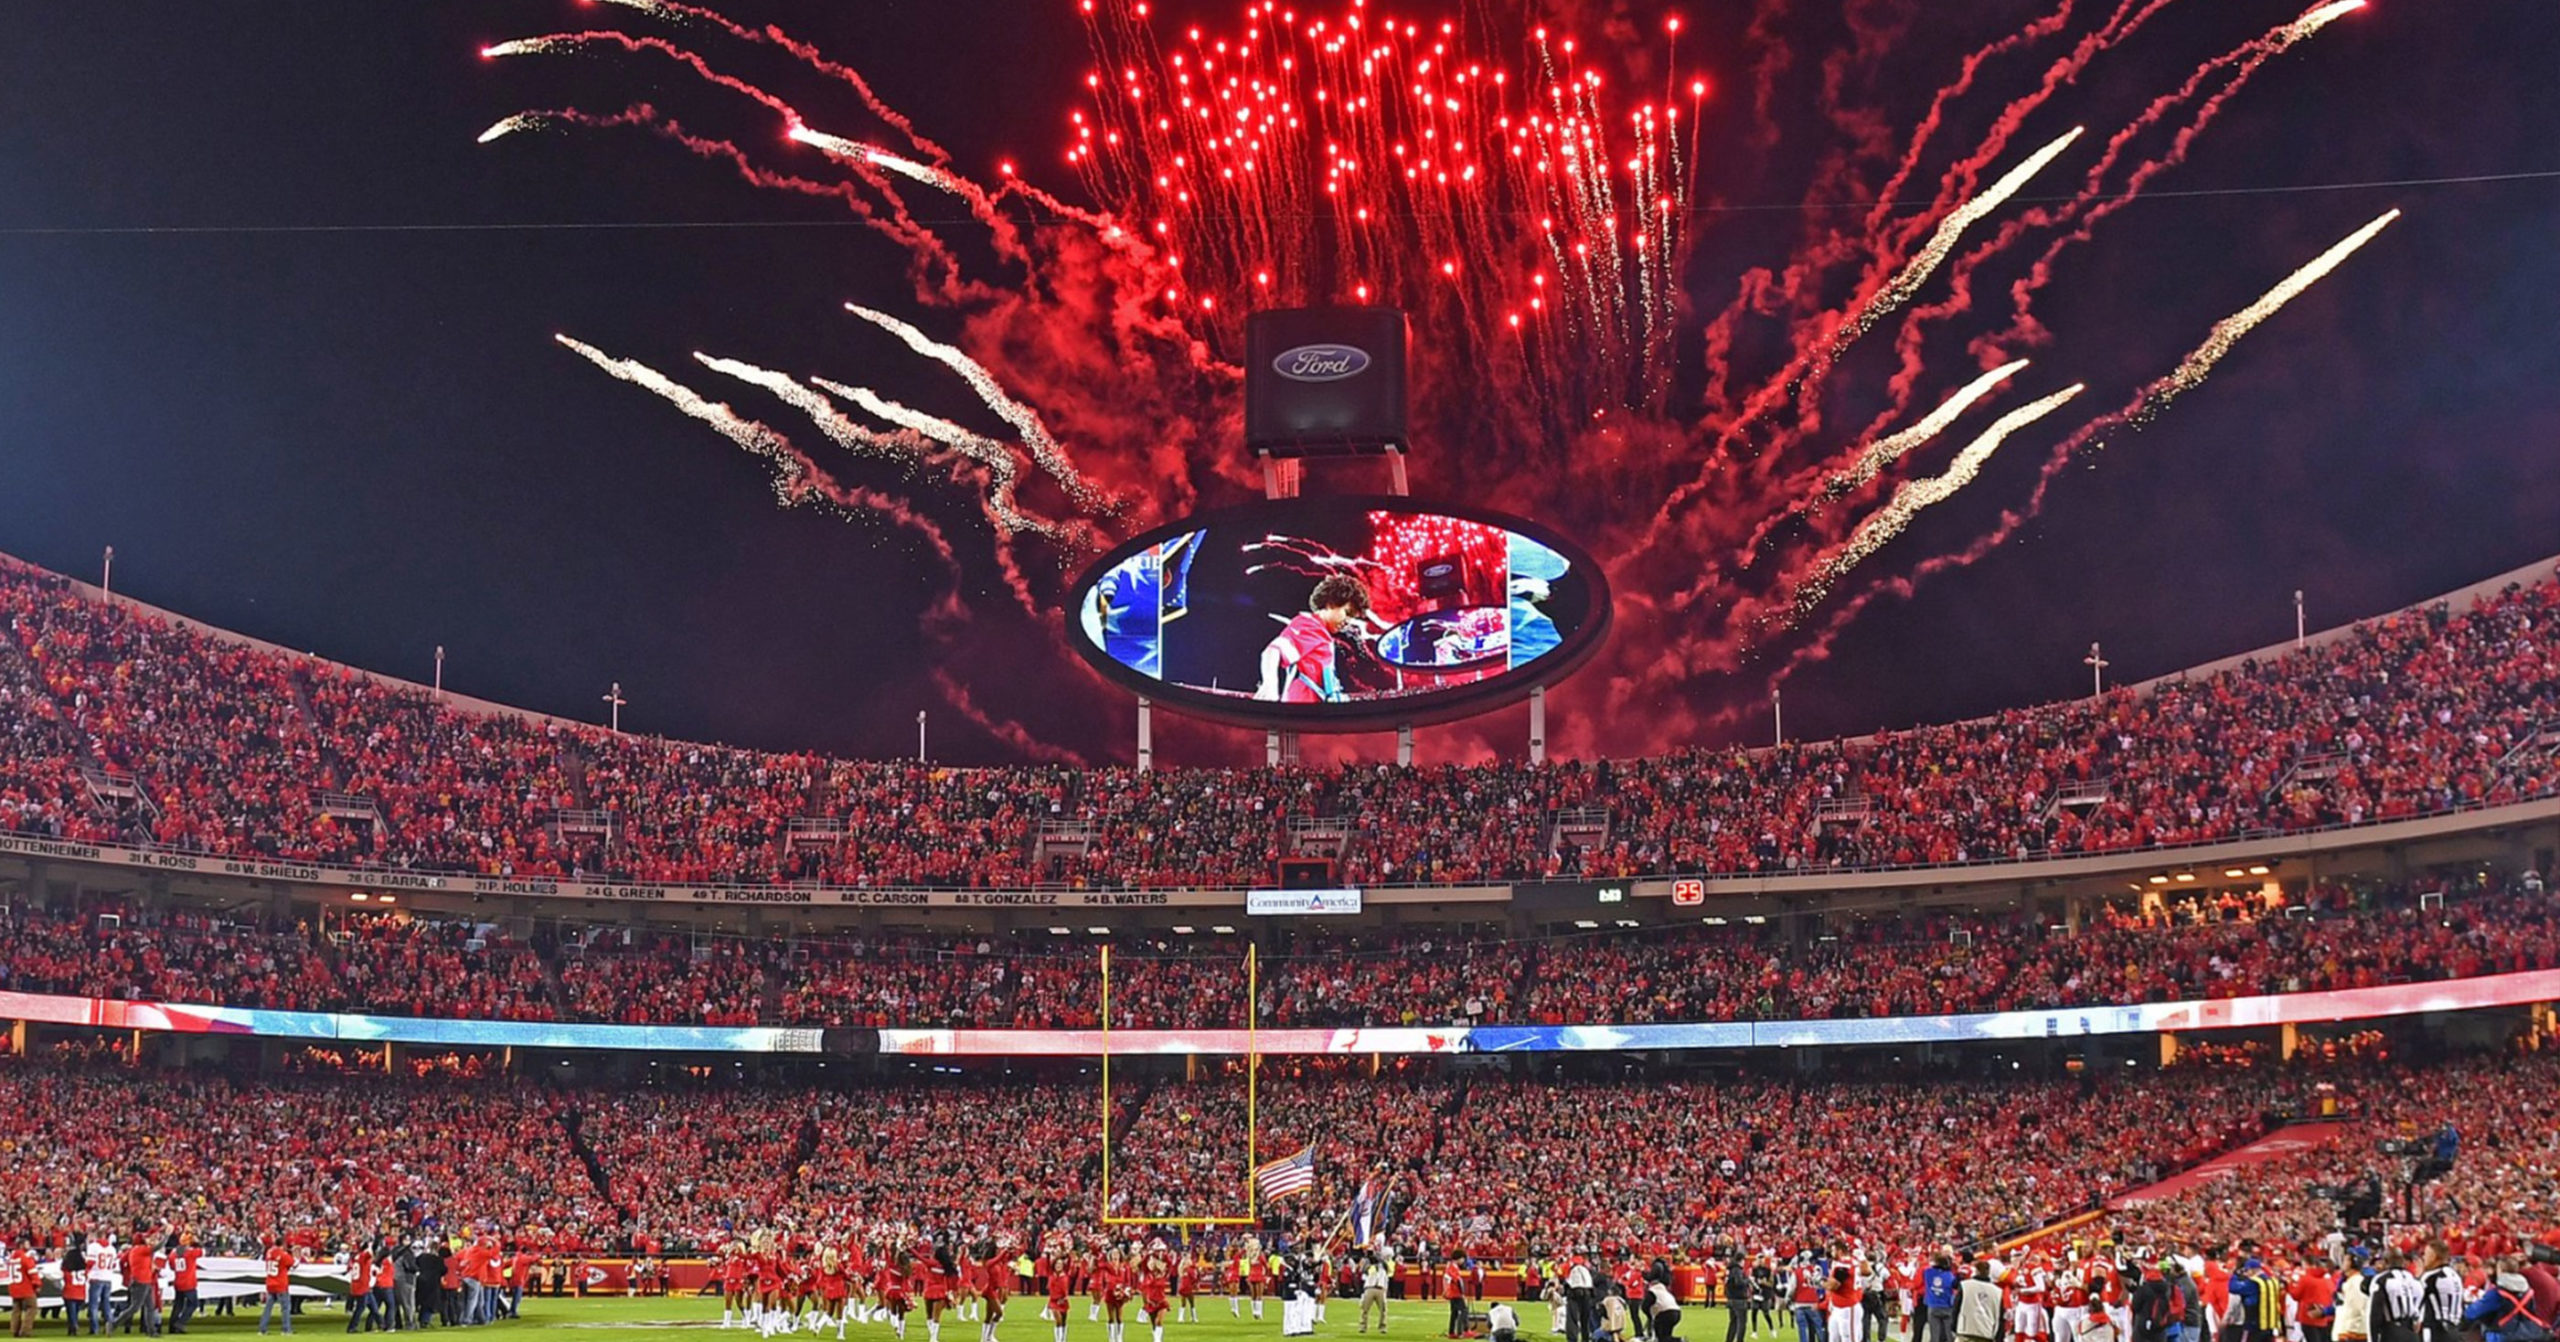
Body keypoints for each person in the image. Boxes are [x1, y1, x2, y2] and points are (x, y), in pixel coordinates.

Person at [1254, 575, 1370, 703]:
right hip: (1300, 712)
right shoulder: (1309, 625)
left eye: (1352, 617)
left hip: (1314, 713)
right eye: (1347, 613)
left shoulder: (1322, 634)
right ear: (1331, 603)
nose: (1348, 621)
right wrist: (1270, 685)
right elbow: (1272, 651)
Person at [1955, 1264, 2004, 1342]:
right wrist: (1998, 1337)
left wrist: (1954, 1327)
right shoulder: (1998, 1291)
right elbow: (2000, 1317)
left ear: (1976, 1271)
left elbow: (1956, 1308)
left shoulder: (1965, 1285)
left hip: (1965, 1330)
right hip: (1986, 1332)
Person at [260, 1241, 298, 1337]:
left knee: (268, 1308)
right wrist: (297, 1257)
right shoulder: (282, 1254)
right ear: (282, 1245)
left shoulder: (269, 1252)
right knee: (285, 1308)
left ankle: (262, 1329)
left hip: (270, 1283)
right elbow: (294, 1264)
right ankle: (286, 1329)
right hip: (280, 1284)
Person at [1923, 1256, 1961, 1342]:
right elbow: (1955, 1285)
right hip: (1947, 1306)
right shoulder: (1949, 1275)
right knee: (1950, 1335)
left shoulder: (1928, 1273)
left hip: (1933, 1306)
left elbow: (1926, 1267)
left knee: (1934, 1335)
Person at [1646, 1276, 1683, 1342]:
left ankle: (1679, 1340)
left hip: (1665, 1313)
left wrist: (1650, 1316)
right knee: (1666, 1335)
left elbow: (1645, 1306)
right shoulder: (1665, 1292)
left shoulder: (1652, 1291)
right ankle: (1679, 1340)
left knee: (1661, 1337)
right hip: (1677, 1312)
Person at [1362, 1258, 1392, 1335]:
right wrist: (1370, 1262)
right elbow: (1364, 1270)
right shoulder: (1370, 1268)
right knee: (1365, 1308)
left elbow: (1388, 1268)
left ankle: (1383, 1327)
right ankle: (1363, 1326)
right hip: (1370, 1288)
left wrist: (1380, 1260)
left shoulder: (1384, 1270)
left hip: (1380, 1289)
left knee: (1383, 1310)